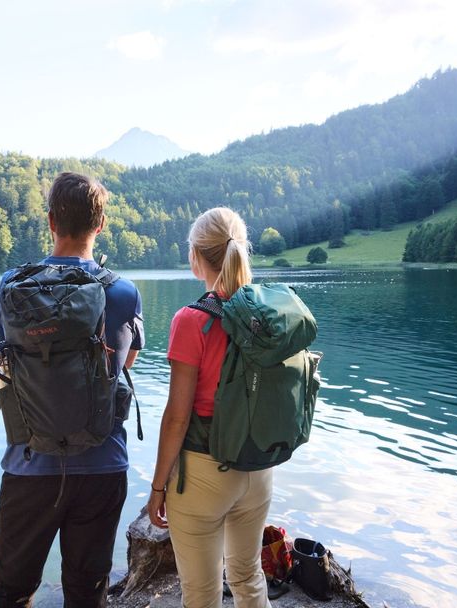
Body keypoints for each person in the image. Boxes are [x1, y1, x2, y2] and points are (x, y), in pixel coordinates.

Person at [0, 172, 145, 608]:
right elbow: (123, 363)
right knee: (86, 590)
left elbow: (4, 363)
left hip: (29, 466)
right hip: (102, 464)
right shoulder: (122, 292)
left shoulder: (12, 286)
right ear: (101, 223)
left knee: (11, 591)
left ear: (51, 221)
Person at [147, 207, 272, 608]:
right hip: (258, 467)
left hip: (205, 471)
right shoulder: (266, 312)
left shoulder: (191, 321)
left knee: (201, 595)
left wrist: (157, 487)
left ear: (196, 257)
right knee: (248, 575)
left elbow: (177, 416)